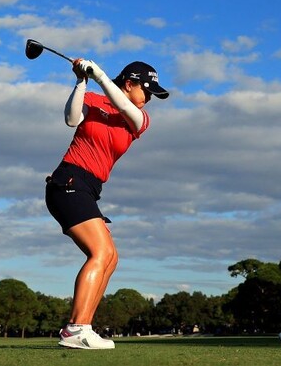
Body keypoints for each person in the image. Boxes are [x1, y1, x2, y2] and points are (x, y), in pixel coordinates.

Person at [45, 58, 169, 350]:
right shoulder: (95, 100)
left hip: (88, 189)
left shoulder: (138, 118)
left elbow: (126, 108)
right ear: (129, 83)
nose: (149, 98)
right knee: (100, 251)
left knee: (111, 258)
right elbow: (72, 119)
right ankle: (76, 329)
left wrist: (99, 74)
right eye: (147, 90)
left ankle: (83, 325)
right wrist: (81, 81)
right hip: (69, 182)